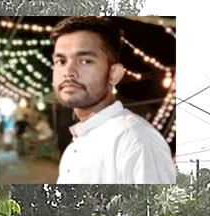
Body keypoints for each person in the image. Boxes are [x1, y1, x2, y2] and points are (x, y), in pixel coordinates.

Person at [50, 16, 175, 184]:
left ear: (114, 74)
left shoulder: (135, 140)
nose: (68, 72)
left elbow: (154, 209)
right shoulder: (74, 147)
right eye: (61, 61)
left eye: (85, 61)